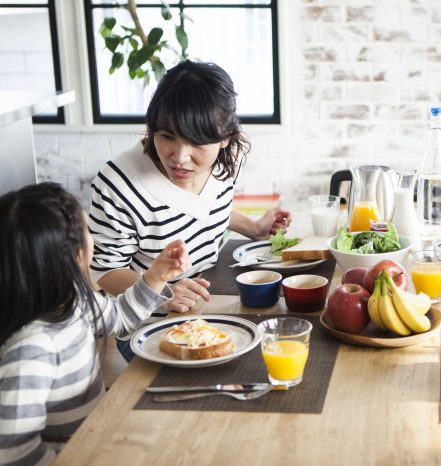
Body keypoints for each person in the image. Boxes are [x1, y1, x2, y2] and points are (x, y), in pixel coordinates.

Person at [0, 183, 188, 466]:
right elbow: (11, 444)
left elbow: (121, 315)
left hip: (87, 451)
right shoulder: (33, 349)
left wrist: (156, 276)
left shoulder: (73, 301)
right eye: (88, 229)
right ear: (75, 255)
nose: (94, 238)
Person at [88, 60, 291, 315]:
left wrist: (254, 229)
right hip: (148, 318)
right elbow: (106, 271)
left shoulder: (224, 161)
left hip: (210, 293)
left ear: (225, 138)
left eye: (197, 143)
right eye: (167, 137)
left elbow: (202, 207)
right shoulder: (117, 186)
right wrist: (161, 293)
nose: (180, 158)